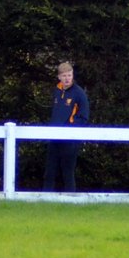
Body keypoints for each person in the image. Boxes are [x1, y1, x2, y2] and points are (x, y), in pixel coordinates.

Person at [43, 61, 89, 192]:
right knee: (49, 172)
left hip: (70, 140)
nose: (67, 78)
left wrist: (70, 128)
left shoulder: (79, 93)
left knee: (68, 172)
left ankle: (71, 199)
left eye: (69, 75)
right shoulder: (57, 91)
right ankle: (44, 199)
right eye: (64, 76)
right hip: (54, 138)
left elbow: (84, 117)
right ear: (59, 77)